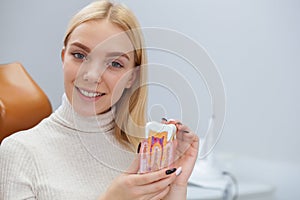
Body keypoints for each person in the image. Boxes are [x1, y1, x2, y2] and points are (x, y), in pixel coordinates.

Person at [0, 1, 199, 199]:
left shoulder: (144, 153)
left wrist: (175, 188)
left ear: (132, 77)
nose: (92, 75)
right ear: (63, 58)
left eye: (114, 64)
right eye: (79, 55)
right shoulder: (19, 153)